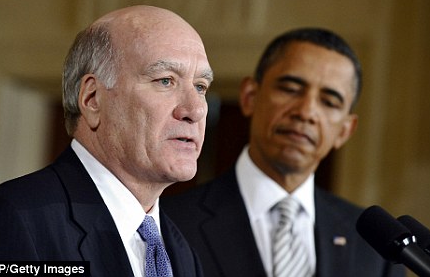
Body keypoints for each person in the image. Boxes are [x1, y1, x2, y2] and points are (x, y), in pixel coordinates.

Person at [0, 5, 213, 277]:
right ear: (92, 99)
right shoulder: (9, 220)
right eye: (166, 81)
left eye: (200, 86)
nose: (195, 110)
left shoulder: (181, 254)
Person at [162, 28, 405, 277]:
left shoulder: (375, 247)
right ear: (249, 97)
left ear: (345, 130)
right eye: (290, 89)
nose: (306, 112)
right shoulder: (168, 222)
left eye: (329, 102)